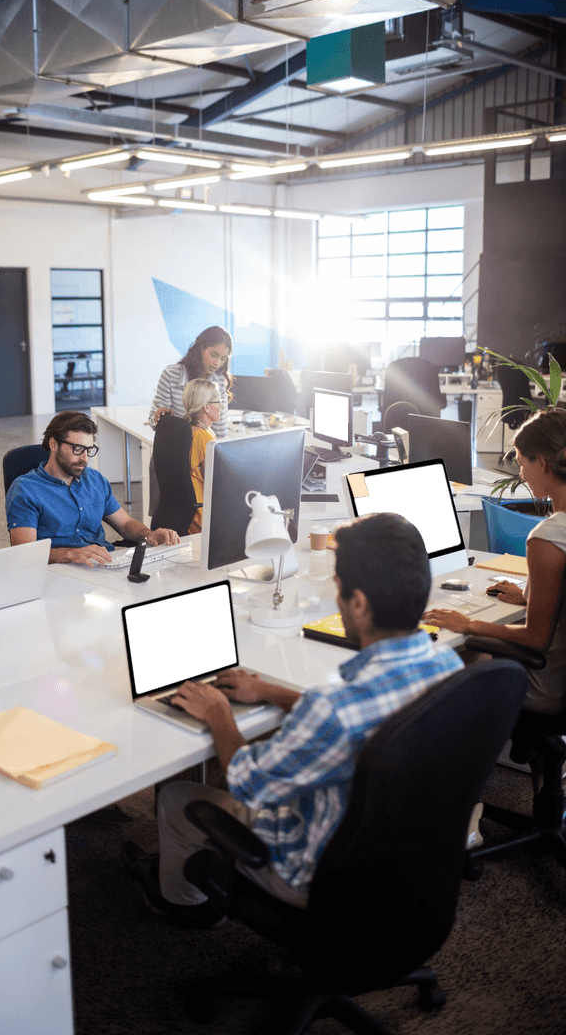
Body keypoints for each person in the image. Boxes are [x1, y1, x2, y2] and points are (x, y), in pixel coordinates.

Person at [121, 513, 463, 924]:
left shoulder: (333, 709)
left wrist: (218, 714)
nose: (336, 596)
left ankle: (183, 907)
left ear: (358, 603)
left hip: (318, 875)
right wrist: (272, 693)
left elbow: (247, 783)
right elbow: (357, 717)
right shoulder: (446, 664)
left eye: (337, 587)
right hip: (408, 855)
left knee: (178, 798)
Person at [427, 407, 566, 715]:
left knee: (446, 674)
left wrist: (469, 624)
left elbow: (536, 637)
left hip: (546, 690)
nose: (520, 474)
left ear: (541, 463)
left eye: (521, 463)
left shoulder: (548, 538)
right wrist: (530, 596)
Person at [6, 411, 179, 566]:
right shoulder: (25, 489)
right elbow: (24, 553)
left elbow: (125, 524)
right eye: (77, 449)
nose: (84, 458)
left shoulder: (94, 480)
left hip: (101, 567)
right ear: (53, 444)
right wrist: (70, 554)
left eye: (89, 450)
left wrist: (149, 535)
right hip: (58, 573)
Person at [149, 326, 233, 439]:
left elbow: (220, 427)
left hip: (202, 450)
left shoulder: (219, 380)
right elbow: (153, 422)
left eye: (223, 358)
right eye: (213, 355)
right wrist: (160, 416)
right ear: (200, 349)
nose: (217, 363)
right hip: (176, 447)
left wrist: (219, 453)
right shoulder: (171, 374)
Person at [180, 378, 221, 535]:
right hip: (202, 515)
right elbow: (214, 481)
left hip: (188, 512)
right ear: (206, 406)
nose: (222, 407)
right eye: (219, 402)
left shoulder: (186, 429)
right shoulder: (204, 437)